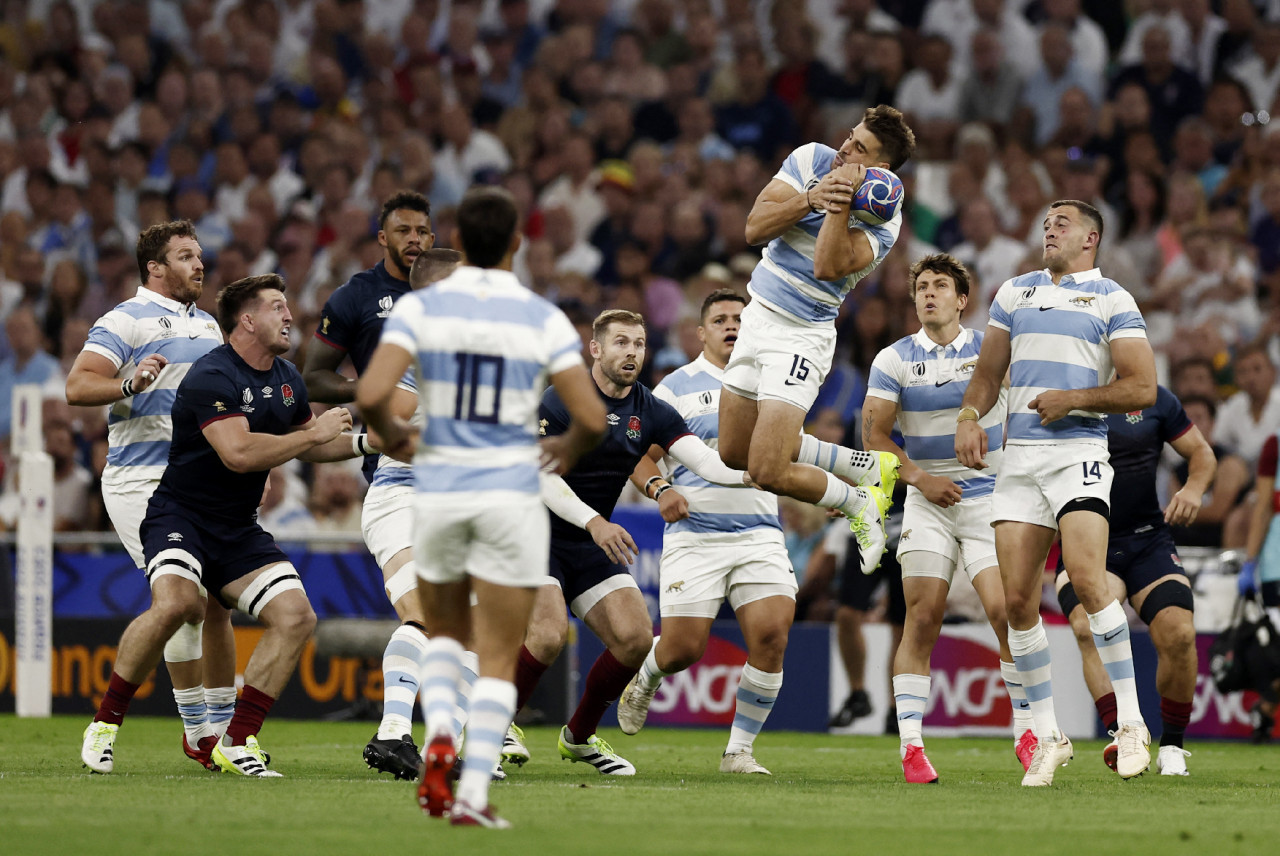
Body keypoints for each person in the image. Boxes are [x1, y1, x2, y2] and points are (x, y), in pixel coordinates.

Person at [356, 186, 606, 828]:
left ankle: (436, 741)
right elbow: (591, 416)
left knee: (442, 633)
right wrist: (564, 447)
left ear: (459, 241)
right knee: (495, 651)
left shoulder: (421, 313)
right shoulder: (540, 316)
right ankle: (468, 790)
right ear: (517, 243)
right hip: (505, 493)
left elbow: (372, 392)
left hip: (438, 489)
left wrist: (398, 436)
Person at [80, 273, 376, 777]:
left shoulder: (287, 378)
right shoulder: (211, 376)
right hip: (181, 518)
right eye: (278, 307)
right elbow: (239, 453)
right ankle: (105, 723)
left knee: (297, 617)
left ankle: (235, 740)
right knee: (177, 604)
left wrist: (369, 444)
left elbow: (317, 440)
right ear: (247, 320)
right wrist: (313, 436)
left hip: (237, 528)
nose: (289, 316)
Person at [956, 199, 1159, 786]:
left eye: (1062, 224)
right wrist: (971, 414)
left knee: (1088, 579)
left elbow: (1142, 386)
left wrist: (1076, 399)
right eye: (1045, 223)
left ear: (1091, 238)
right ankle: (1049, 735)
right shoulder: (1014, 293)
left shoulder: (1112, 299)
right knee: (1018, 601)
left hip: (1079, 455)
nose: (1049, 229)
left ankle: (1131, 724)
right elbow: (989, 373)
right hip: (1020, 460)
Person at [524, 308, 754, 777]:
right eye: (621, 342)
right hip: (532, 534)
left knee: (633, 641)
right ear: (596, 349)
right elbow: (540, 477)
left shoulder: (650, 410)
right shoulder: (559, 399)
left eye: (639, 344)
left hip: (589, 543)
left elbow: (708, 465)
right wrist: (595, 523)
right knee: (547, 636)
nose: (631, 353)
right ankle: (494, 730)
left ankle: (579, 738)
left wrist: (771, 475)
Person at [718, 105, 915, 575]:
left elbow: (826, 267)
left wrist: (839, 203)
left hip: (800, 337)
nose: (843, 149)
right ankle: (866, 468)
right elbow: (753, 228)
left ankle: (856, 502)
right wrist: (812, 197)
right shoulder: (810, 158)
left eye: (859, 149)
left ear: (878, 169)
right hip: (757, 315)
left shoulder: (884, 221)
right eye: (849, 137)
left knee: (765, 470)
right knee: (732, 452)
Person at [66, 220, 234, 770]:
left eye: (200, 255)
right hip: (140, 480)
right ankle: (155, 726)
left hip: (200, 483)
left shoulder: (210, 326)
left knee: (210, 606)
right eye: (186, 256)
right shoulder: (124, 319)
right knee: (183, 600)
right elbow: (77, 385)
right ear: (155, 268)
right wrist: (128, 383)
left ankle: (216, 733)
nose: (199, 264)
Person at [863, 253, 1032, 783]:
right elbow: (874, 438)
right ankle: (912, 746)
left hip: (988, 498)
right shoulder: (892, 360)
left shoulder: (990, 350)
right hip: (927, 501)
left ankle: (1026, 732)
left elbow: (1025, 410)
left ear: (963, 298)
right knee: (922, 616)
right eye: (921, 287)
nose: (929, 294)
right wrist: (921, 480)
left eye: (940, 286)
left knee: (1006, 613)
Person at [611, 289, 794, 775]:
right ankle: (649, 675)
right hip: (696, 536)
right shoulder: (675, 387)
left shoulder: (774, 385)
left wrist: (826, 494)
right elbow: (637, 452)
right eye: (721, 319)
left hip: (759, 533)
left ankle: (739, 751)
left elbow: (787, 454)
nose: (732, 325)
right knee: (683, 649)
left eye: (739, 318)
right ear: (702, 332)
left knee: (773, 634)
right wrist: (660, 488)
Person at [301, 190, 443, 778]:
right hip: (397, 474)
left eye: (424, 232)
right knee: (427, 614)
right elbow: (313, 377)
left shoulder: (453, 326)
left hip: (453, 491)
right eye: (404, 231)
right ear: (383, 238)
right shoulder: (357, 298)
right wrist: (372, 402)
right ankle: (399, 734)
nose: (415, 240)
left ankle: (452, 737)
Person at [1054, 385, 1214, 776]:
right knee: (1086, 626)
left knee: (1179, 632)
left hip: (1148, 541)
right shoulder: (1065, 393)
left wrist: (1193, 488)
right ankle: (1122, 733)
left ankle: (1172, 745)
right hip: (1087, 542)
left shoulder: (1154, 398)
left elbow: (1202, 453)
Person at [1237, 427, 1280, 741]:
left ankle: (1265, 709)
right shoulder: (1274, 444)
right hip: (1275, 564)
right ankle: (1264, 711)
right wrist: (1249, 561)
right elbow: (1263, 506)